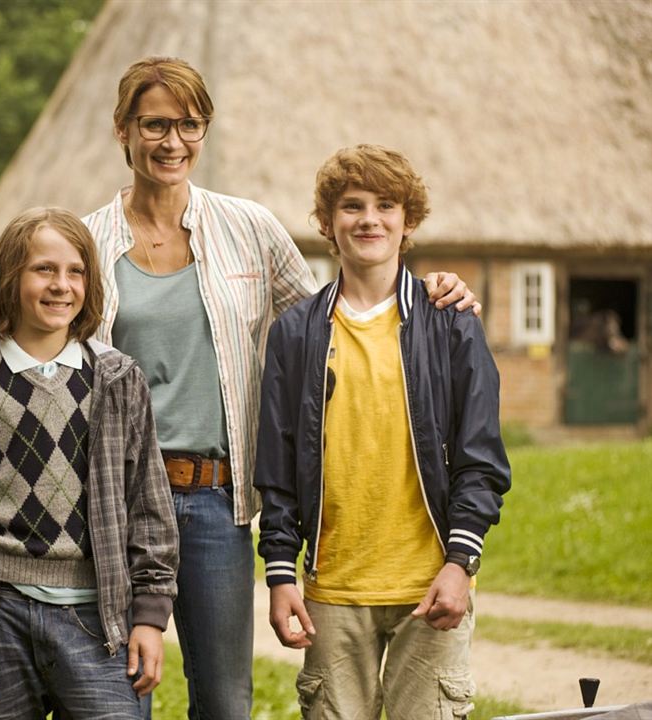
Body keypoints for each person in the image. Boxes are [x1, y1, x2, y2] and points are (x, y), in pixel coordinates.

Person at [0, 56, 479, 719]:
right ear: (122, 130)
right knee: (122, 692)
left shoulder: (248, 229)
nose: (172, 142)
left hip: (214, 499)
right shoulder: (90, 239)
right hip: (109, 506)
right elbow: (37, 325)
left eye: (188, 125)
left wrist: (427, 292)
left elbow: (329, 326)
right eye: (155, 125)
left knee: (223, 702)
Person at [254, 144, 511, 720]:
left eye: (385, 205)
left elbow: (481, 456)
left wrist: (460, 563)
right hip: (332, 592)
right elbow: (277, 462)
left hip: (430, 584)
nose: (369, 218)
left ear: (408, 221)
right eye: (352, 206)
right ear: (327, 223)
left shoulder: (449, 321)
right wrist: (279, 572)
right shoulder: (295, 334)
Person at [0, 207, 178, 719]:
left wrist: (149, 616)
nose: (62, 285)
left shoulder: (117, 379)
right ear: (9, 279)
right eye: (44, 269)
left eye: (75, 271)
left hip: (96, 616)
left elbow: (148, 503)